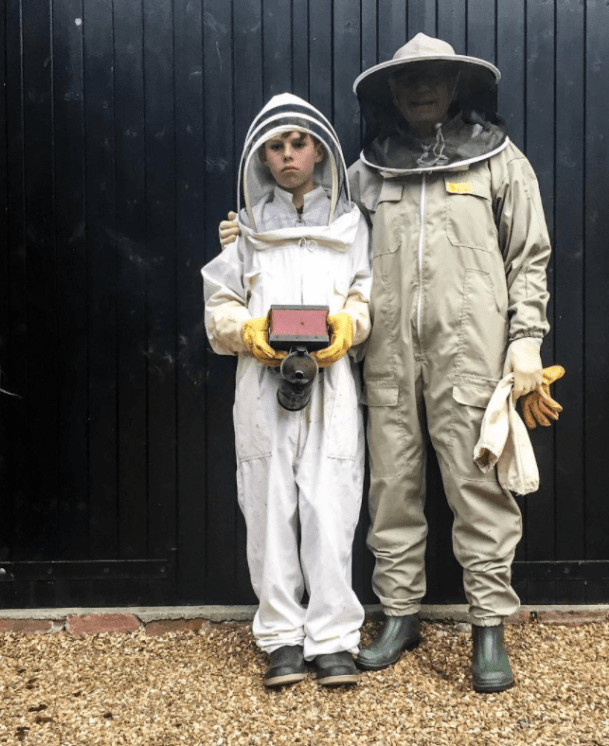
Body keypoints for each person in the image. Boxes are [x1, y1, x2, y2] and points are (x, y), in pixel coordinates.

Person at [347, 33, 552, 693]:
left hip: (471, 350)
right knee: (391, 490)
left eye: (433, 78)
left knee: (480, 489)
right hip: (384, 356)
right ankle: (399, 616)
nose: (421, 89)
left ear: (458, 86)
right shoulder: (368, 170)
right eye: (408, 82)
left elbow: (529, 256)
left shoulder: (500, 161)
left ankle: (488, 626)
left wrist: (527, 338)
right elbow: (329, 251)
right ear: (392, 94)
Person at [202, 93, 372, 688]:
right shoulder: (243, 230)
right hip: (261, 383)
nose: (287, 154)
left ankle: (332, 639)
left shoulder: (353, 226)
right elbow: (218, 304)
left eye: (298, 142)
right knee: (269, 507)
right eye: (276, 146)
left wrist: (351, 325)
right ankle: (280, 638)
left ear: (320, 150)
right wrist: (243, 331)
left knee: (331, 506)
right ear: (262, 157)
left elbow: (366, 292)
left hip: (332, 384)